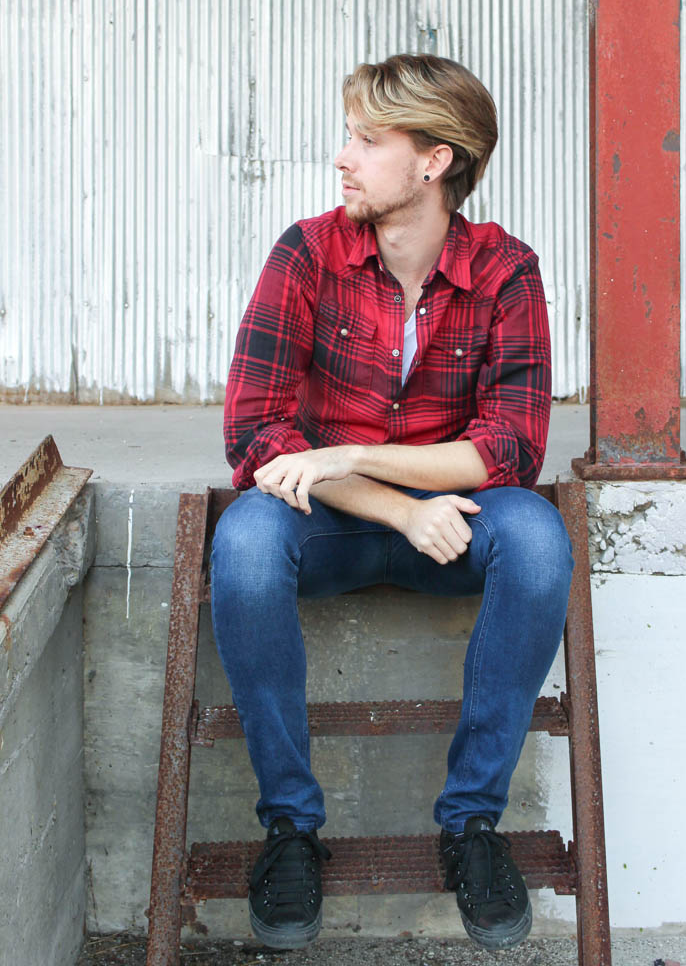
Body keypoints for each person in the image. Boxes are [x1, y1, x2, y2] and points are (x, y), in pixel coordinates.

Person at [211, 53, 574, 952]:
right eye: (350, 137)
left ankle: (471, 828)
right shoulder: (308, 251)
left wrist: (358, 452)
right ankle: (291, 829)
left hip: (457, 529)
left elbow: (512, 449)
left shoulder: (506, 272)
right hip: (335, 522)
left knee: (537, 540)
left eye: (368, 141)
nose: (344, 157)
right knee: (248, 543)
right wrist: (397, 504)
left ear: (434, 161)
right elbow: (256, 437)